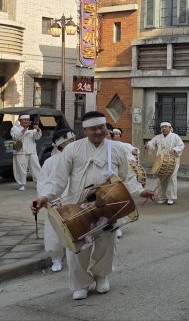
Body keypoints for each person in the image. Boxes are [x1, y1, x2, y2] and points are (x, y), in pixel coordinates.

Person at [32, 111, 153, 300]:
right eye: (93, 128)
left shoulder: (117, 149)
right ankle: (80, 284)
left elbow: (127, 177)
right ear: (85, 130)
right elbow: (58, 179)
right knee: (78, 247)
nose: (98, 131)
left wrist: (140, 191)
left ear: (106, 128)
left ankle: (101, 276)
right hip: (78, 206)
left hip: (108, 204)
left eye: (102, 127)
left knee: (107, 243)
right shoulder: (72, 150)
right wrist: (45, 196)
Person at [37, 129, 76, 272]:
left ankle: (75, 256)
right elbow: (42, 182)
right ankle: (56, 258)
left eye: (73, 140)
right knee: (54, 231)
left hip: (73, 199)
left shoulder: (76, 158)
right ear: (60, 143)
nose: (73, 143)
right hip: (55, 202)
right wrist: (46, 198)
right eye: (69, 141)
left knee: (76, 229)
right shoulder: (50, 162)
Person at [146, 121, 185, 205]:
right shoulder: (158, 137)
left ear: (170, 128)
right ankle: (162, 197)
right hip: (161, 161)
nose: (164, 128)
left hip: (173, 161)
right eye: (162, 127)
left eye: (166, 127)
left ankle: (170, 197)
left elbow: (181, 145)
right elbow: (152, 143)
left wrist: (174, 150)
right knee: (160, 178)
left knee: (171, 178)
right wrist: (148, 145)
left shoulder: (175, 137)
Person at [11, 114, 42, 191]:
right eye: (24, 120)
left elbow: (37, 137)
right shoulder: (15, 128)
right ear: (20, 121)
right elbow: (17, 137)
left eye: (27, 120)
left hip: (32, 151)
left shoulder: (32, 129)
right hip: (20, 152)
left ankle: (39, 183)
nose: (26, 121)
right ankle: (22, 184)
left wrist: (38, 130)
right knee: (21, 168)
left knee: (36, 168)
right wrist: (25, 129)